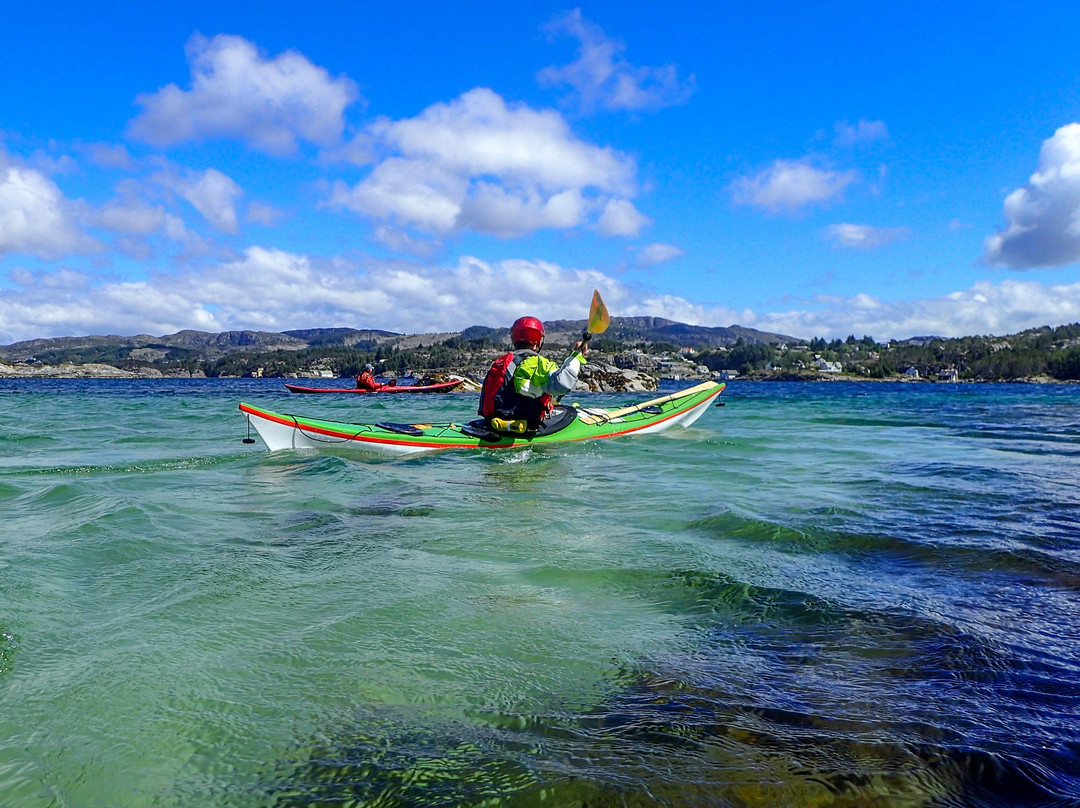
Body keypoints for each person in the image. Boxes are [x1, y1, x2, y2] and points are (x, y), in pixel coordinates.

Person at [479, 315, 588, 432]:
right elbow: (563, 385)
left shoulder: (501, 362)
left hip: (493, 423)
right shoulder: (537, 363)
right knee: (569, 412)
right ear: (538, 341)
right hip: (523, 427)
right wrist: (576, 357)